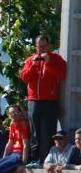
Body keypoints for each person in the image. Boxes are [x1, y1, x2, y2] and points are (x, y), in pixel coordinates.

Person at [20, 35, 67, 166]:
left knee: (47, 133)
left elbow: (62, 74)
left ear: (49, 46)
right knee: (35, 133)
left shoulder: (56, 59)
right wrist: (33, 65)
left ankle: (46, 160)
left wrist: (48, 63)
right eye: (40, 47)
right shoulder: (30, 60)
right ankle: (35, 160)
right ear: (36, 47)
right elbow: (24, 78)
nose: (42, 49)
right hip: (34, 101)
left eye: (44, 46)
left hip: (50, 101)